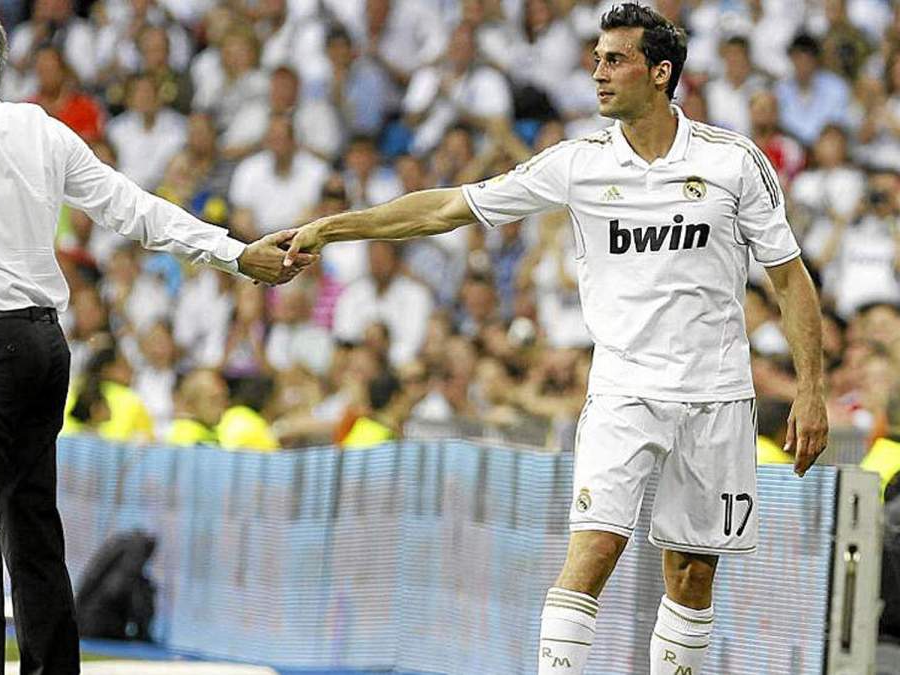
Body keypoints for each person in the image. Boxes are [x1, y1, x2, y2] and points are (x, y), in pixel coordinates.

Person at [282, 5, 828, 674]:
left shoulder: (732, 161)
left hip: (717, 394)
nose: (596, 73)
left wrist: (811, 388)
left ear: (660, 73)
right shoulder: (578, 164)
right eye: (595, 58)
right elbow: (449, 206)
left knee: (690, 573)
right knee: (594, 549)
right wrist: (338, 226)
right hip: (623, 389)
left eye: (614, 60)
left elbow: (790, 279)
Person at [0, 5, 312, 674]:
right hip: (44, 346)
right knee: (33, 529)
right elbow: (136, 211)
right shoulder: (39, 127)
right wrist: (236, 253)